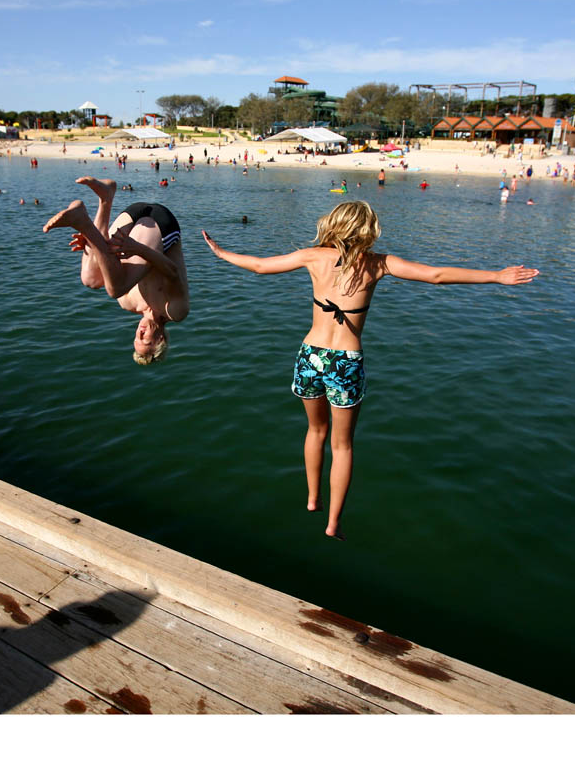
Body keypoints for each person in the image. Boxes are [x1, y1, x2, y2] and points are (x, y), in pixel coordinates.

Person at [201, 200, 538, 539]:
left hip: (311, 356)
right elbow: (435, 276)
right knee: (342, 445)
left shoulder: (314, 257)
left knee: (315, 431)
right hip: (345, 361)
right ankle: (333, 522)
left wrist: (222, 253)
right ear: (368, 230)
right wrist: (496, 276)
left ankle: (312, 498)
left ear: (333, 224)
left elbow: (259, 266)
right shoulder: (378, 264)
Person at [43, 177, 189, 365]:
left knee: (91, 279)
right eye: (145, 339)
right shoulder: (175, 311)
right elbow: (172, 271)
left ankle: (105, 198)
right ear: (160, 339)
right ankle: (83, 223)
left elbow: (109, 259)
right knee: (115, 289)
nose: (140, 332)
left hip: (132, 217)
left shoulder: (128, 304)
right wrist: (137, 248)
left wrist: (92, 246)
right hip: (162, 224)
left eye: (136, 337)